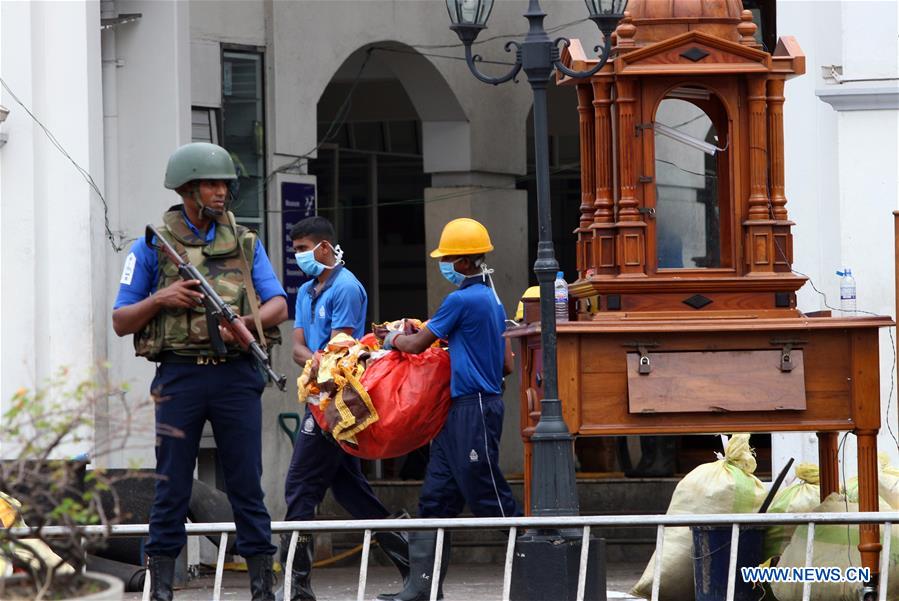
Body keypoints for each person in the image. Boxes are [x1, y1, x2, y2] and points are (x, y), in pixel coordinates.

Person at [112, 142, 287, 601]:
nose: (221, 192)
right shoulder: (152, 246)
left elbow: (278, 305)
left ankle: (262, 589)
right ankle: (161, 589)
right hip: (179, 378)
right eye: (211, 184)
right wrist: (161, 300)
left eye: (225, 184)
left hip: (234, 377)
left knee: (247, 485)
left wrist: (244, 325)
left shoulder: (246, 242)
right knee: (169, 486)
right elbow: (120, 320)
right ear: (188, 188)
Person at [374, 217, 521, 601]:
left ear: (464, 262)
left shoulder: (460, 299)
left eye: (449, 259)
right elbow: (506, 363)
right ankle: (421, 590)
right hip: (466, 408)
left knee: (487, 492)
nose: (445, 266)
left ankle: (536, 572)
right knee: (436, 498)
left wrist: (387, 336)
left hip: (471, 407)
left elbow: (415, 346)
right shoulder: (493, 298)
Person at [283, 216, 409, 601]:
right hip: (318, 400)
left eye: (304, 250)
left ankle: (295, 585)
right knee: (352, 493)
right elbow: (298, 349)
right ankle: (412, 559)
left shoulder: (347, 288)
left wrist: (319, 361)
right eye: (297, 251)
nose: (300, 257)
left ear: (324, 247)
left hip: (338, 405)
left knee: (300, 487)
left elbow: (343, 355)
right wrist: (319, 361)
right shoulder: (306, 291)